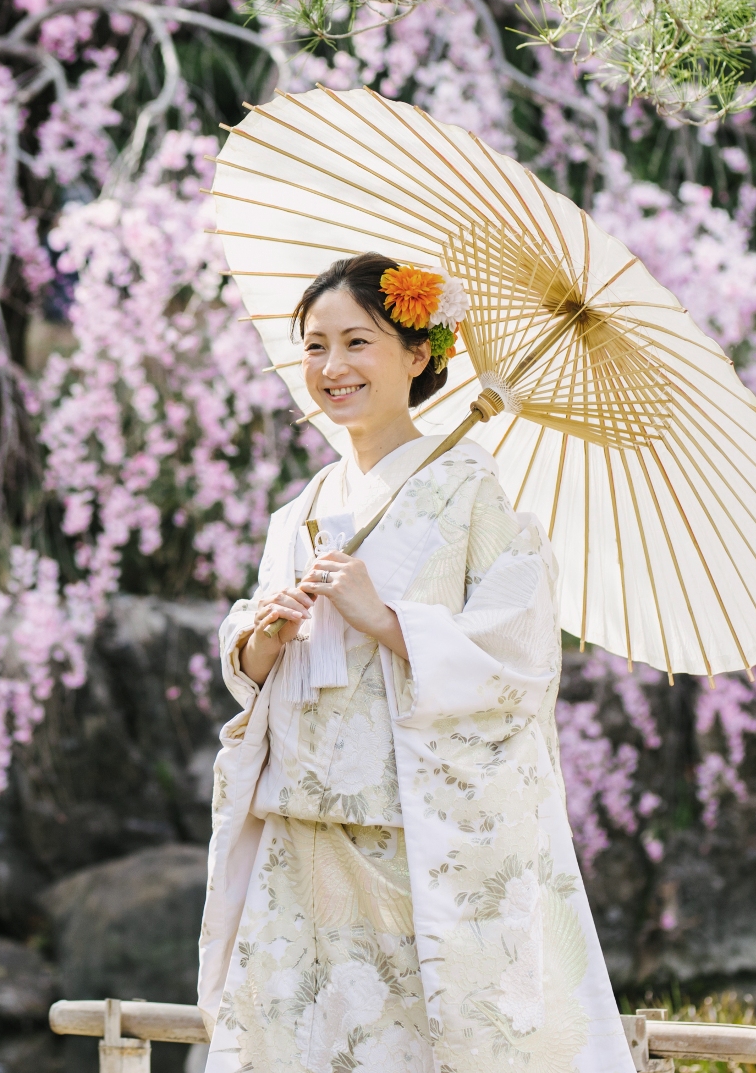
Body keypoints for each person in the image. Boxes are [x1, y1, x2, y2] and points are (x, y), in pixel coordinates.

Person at [197, 254, 633, 1073]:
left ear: (419, 353)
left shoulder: (472, 494)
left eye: (357, 342)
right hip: (300, 830)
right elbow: (252, 669)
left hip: (410, 836)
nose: (331, 368)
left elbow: (519, 659)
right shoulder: (302, 508)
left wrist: (386, 618)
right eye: (315, 344)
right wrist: (266, 635)